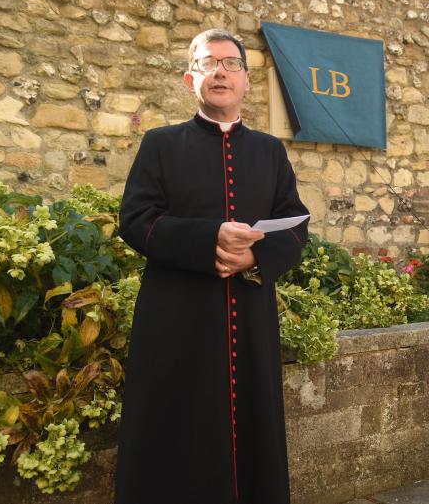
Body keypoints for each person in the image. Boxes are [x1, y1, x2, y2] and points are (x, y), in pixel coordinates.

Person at [114, 29, 309, 504]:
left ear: (245, 81)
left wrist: (255, 255)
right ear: (190, 79)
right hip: (176, 322)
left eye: (230, 64)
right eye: (207, 63)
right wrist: (210, 239)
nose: (219, 71)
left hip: (250, 317)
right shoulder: (160, 144)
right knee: (175, 434)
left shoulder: (270, 151)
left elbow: (295, 225)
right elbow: (136, 220)